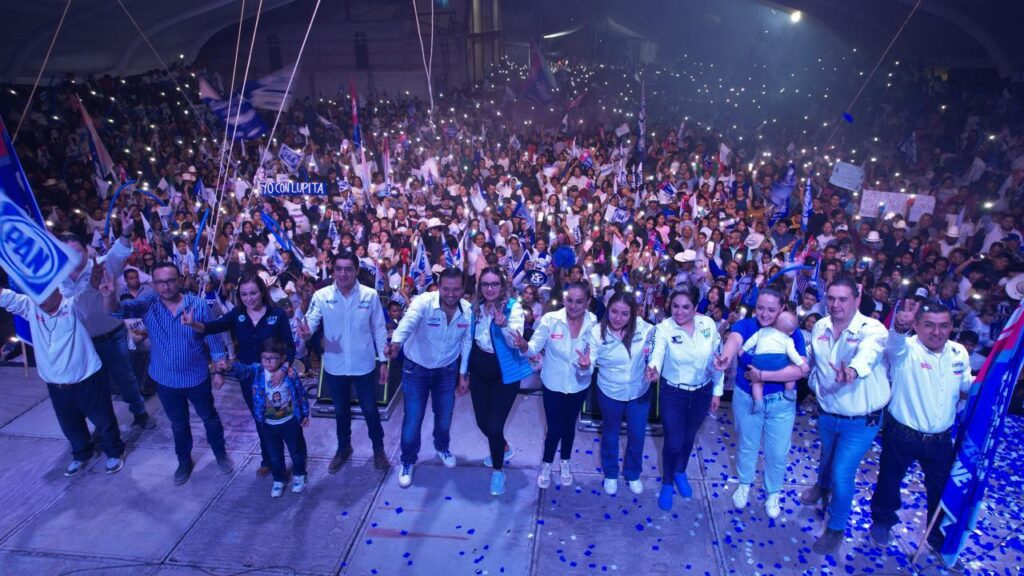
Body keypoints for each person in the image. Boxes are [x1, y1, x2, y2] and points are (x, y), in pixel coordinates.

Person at [103, 262, 232, 484]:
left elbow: (213, 337)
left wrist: (220, 370)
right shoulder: (148, 304)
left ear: (180, 280)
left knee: (209, 418)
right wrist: (109, 296)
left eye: (171, 280)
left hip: (196, 378)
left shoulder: (198, 305)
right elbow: (118, 310)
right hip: (166, 381)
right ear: (153, 284)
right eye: (160, 282)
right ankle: (184, 460)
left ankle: (220, 454)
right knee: (179, 425)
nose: (166, 286)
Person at [869, 300, 972, 573]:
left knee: (941, 490)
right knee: (889, 480)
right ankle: (882, 521)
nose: (937, 332)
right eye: (929, 325)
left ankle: (938, 539)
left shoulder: (959, 352)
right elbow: (894, 345)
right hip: (902, 434)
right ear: (916, 326)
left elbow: (967, 385)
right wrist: (899, 327)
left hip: (940, 439)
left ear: (952, 327)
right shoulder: (906, 349)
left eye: (943, 326)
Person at [0, 276, 125, 476]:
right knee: (70, 424)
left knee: (103, 420)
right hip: (55, 384)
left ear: (57, 290)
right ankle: (82, 453)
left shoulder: (74, 305)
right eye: (36, 296)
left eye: (45, 296)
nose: (40, 301)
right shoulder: (31, 306)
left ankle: (114, 452)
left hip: (86, 378)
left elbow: (90, 295)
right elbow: (6, 297)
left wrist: (100, 286)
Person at [801, 276, 891, 555]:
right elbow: (812, 359)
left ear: (856, 299)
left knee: (842, 472)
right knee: (827, 457)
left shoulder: (872, 329)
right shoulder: (820, 326)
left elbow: (870, 353)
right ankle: (821, 485)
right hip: (828, 413)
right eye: (831, 298)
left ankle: (836, 527)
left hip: (861, 420)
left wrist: (853, 370)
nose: (835, 304)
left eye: (842, 299)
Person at [181, 271, 296, 478]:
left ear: (262, 292)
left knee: (281, 420)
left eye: (253, 293)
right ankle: (268, 459)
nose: (249, 298)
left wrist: (282, 369)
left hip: (274, 378)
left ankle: (294, 458)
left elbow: (290, 347)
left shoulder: (277, 314)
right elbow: (213, 327)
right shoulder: (237, 315)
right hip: (248, 378)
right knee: (260, 419)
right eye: (244, 294)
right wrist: (192, 324)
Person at [715, 288, 809, 518]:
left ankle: (773, 492)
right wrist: (725, 357)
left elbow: (799, 370)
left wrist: (762, 376)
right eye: (760, 308)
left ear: (782, 308)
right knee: (747, 445)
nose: (764, 314)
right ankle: (744, 484)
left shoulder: (791, 331)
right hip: (747, 398)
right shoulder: (747, 326)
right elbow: (734, 341)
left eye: (771, 310)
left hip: (781, 402)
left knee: (777, 452)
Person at [297, 251, 389, 472]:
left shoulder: (370, 295)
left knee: (370, 410)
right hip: (335, 365)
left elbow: (379, 328)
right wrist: (306, 332)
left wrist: (383, 361)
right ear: (333, 271)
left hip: (364, 364)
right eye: (338, 269)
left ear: (356, 270)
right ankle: (344, 448)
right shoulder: (322, 296)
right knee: (340, 412)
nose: (343, 273)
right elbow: (311, 323)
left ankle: (379, 450)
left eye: (348, 269)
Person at [386, 268, 472, 488]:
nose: (451, 294)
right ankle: (407, 460)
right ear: (438, 287)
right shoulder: (423, 302)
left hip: (447, 371)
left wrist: (463, 373)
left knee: (444, 415)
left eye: (456, 289)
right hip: (417, 369)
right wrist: (396, 343)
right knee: (413, 418)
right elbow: (407, 323)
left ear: (463, 288)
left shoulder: (468, 311)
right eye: (446, 289)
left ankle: (442, 447)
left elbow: (466, 341)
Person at [59, 232, 155, 430]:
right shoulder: (59, 278)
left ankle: (140, 412)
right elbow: (67, 305)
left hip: (113, 336)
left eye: (77, 252)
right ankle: (104, 424)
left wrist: (126, 233)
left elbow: (119, 253)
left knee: (126, 377)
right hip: (83, 340)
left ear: (86, 250)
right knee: (94, 385)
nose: (73, 258)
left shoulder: (102, 265)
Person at [646, 284, 723, 511]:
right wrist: (653, 368)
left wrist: (717, 390)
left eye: (686, 307)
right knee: (673, 441)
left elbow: (718, 359)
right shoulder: (663, 329)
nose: (679, 312)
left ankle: (681, 471)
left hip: (702, 392)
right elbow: (657, 354)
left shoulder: (708, 324)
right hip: (673, 394)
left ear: (696, 307)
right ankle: (667, 482)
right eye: (675, 306)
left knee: (689, 437)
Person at [514, 280, 597, 489]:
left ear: (588, 302)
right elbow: (534, 347)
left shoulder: (594, 322)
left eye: (579, 301)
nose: (573, 306)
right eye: (569, 300)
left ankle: (565, 461)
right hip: (553, 384)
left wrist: (587, 365)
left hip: (578, 384)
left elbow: (594, 354)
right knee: (554, 428)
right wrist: (524, 346)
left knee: (569, 426)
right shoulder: (550, 319)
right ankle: (547, 463)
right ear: (564, 299)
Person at [460, 266, 534, 495]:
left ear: (502, 286)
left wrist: (503, 325)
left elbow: (516, 342)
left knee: (494, 426)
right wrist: (463, 372)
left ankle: (498, 471)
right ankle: (504, 447)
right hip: (479, 371)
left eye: (494, 284)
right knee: (482, 423)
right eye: (485, 284)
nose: (490, 288)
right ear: (479, 287)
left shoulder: (513, 307)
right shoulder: (475, 308)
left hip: (505, 374)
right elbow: (468, 341)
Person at [581, 291, 655, 496]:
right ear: (607, 309)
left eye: (624, 314)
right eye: (614, 311)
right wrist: (585, 365)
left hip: (639, 392)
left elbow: (657, 352)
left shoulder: (646, 329)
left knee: (637, 435)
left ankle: (633, 473)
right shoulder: (596, 332)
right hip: (610, 392)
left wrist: (654, 366)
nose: (618, 318)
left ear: (633, 314)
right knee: (610, 434)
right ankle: (611, 473)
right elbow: (589, 361)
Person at [225, 337, 310, 498]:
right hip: (268, 424)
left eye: (272, 358)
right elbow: (243, 370)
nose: (268, 362)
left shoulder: (290, 374)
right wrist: (230, 366)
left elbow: (300, 394)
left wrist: (304, 414)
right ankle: (279, 479)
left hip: (290, 421)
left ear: (283, 358)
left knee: (296, 451)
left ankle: (300, 474)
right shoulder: (257, 371)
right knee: (274, 455)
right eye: (264, 358)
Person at [741, 311, 805, 413]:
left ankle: (758, 401)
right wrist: (801, 364)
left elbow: (752, 340)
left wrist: (743, 349)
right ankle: (789, 391)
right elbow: (793, 354)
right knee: (790, 373)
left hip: (759, 362)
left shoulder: (762, 331)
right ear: (790, 332)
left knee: (756, 383)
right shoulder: (788, 339)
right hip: (778, 363)